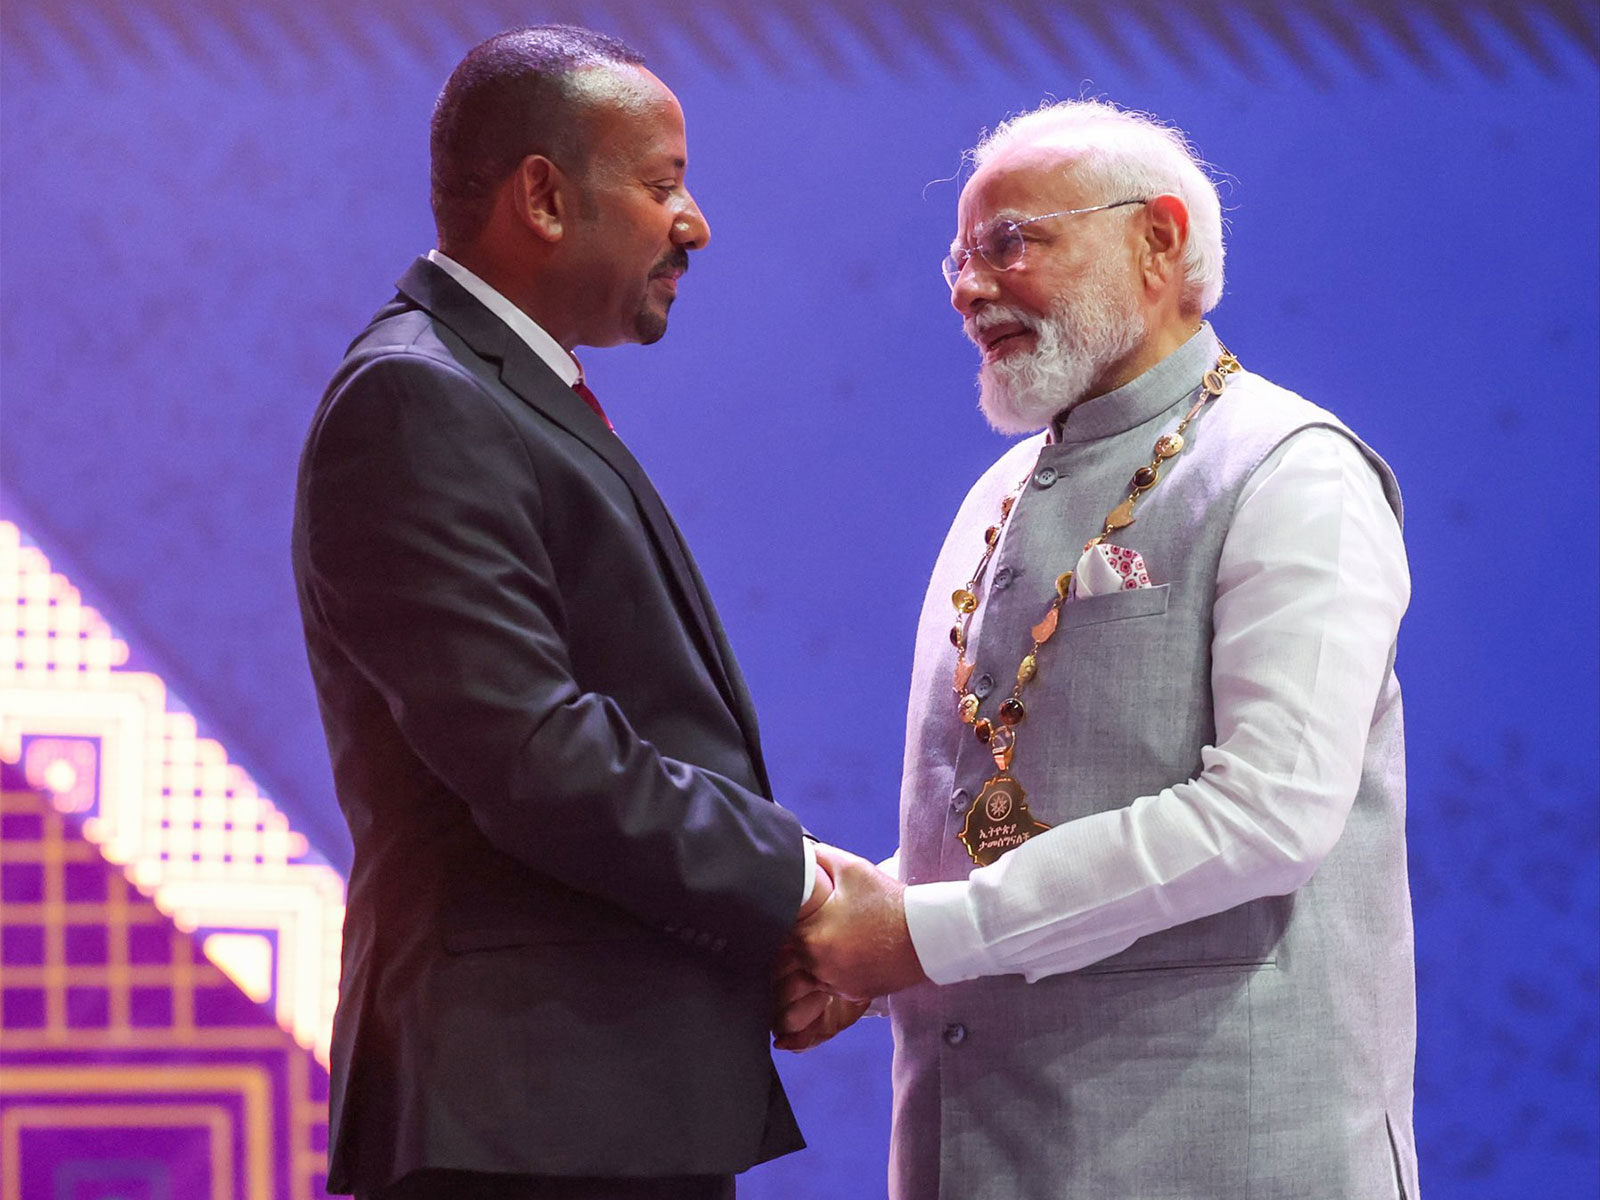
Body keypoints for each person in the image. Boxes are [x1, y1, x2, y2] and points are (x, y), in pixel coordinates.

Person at [777, 99, 1420, 1199]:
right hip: (977, 1152)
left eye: (1011, 243)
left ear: (1158, 239)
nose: (969, 288)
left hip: (1223, 1160)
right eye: (958, 258)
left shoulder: (1292, 470)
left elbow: (1268, 816)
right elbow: (1019, 811)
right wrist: (868, 935)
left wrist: (922, 934)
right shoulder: (996, 494)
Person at [292, 26, 829, 1200]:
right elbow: (533, 754)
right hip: (525, 1122)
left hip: (589, 1109)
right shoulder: (416, 399)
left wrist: (772, 909)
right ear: (543, 195)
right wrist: (802, 885)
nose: (694, 224)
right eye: (664, 183)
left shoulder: (495, 391)